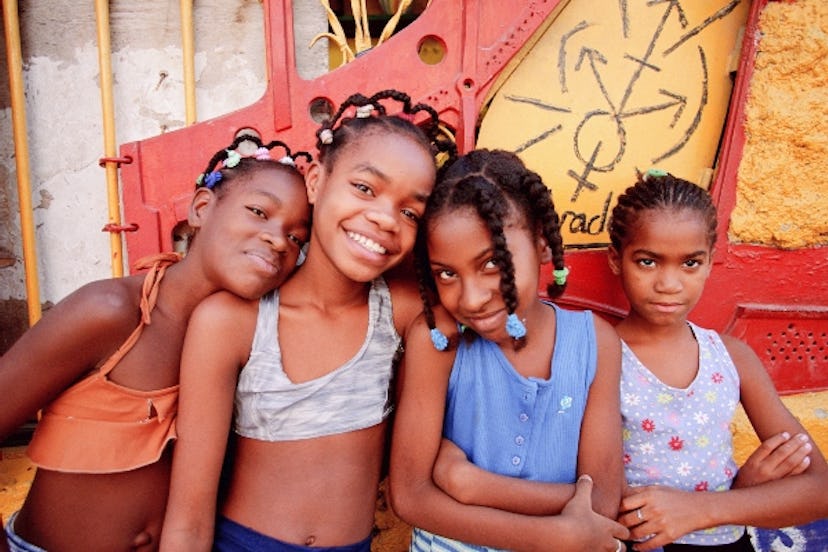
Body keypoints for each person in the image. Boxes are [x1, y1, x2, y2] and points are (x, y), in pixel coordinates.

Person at [159, 89, 454, 552]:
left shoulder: (403, 312)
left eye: (409, 211)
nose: (384, 218)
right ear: (315, 181)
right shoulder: (231, 322)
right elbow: (188, 519)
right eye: (364, 188)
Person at [0, 134, 312, 552]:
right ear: (202, 208)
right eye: (259, 212)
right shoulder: (110, 312)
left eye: (297, 237)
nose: (278, 240)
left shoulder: (251, 339)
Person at [389, 149, 629, 551]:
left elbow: (603, 500)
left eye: (492, 264)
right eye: (447, 273)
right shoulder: (438, 341)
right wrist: (558, 533)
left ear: (542, 246)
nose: (472, 297)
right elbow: (410, 496)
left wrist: (471, 485)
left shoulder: (595, 342)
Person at [607, 169, 828, 551]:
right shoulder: (602, 355)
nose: (669, 284)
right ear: (616, 260)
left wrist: (710, 506)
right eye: (648, 262)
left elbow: (819, 488)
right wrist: (741, 494)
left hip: (725, 542)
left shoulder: (730, 357)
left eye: (690, 263)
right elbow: (586, 483)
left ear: (710, 261)